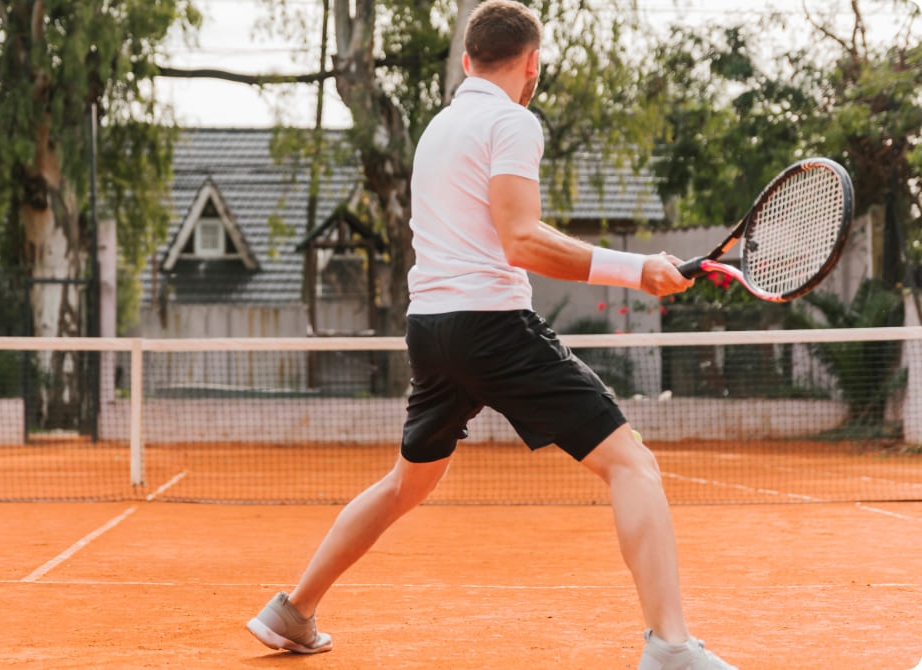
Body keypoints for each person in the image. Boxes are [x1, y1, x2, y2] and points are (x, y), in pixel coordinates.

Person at [245, 2, 736, 668]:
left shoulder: (440, 130)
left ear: (468, 60)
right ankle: (672, 646)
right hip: (490, 328)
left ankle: (292, 610)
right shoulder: (512, 121)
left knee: (405, 484)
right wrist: (637, 269)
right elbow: (521, 240)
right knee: (632, 463)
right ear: (532, 64)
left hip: (430, 331)